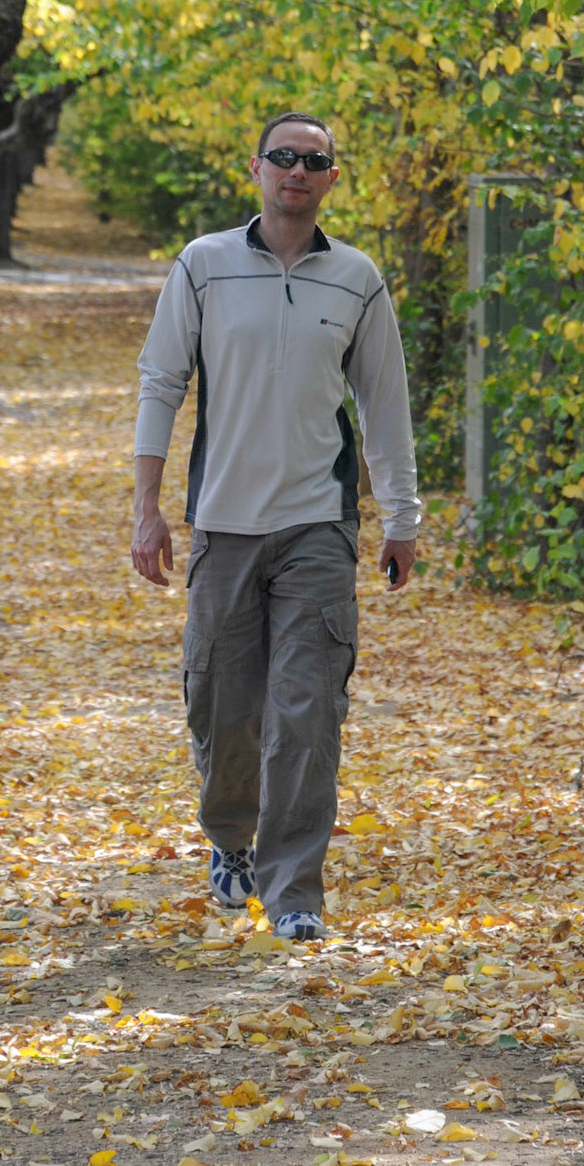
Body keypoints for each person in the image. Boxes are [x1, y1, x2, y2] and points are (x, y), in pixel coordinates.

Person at [130, 112, 420, 941]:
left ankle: (294, 892)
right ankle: (230, 841)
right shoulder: (205, 266)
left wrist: (400, 518)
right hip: (222, 523)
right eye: (284, 157)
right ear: (257, 168)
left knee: (307, 710)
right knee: (220, 705)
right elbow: (161, 383)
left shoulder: (357, 278)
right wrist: (146, 510)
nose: (297, 170)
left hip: (317, 529)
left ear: (333, 177)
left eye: (314, 160)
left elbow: (384, 405)